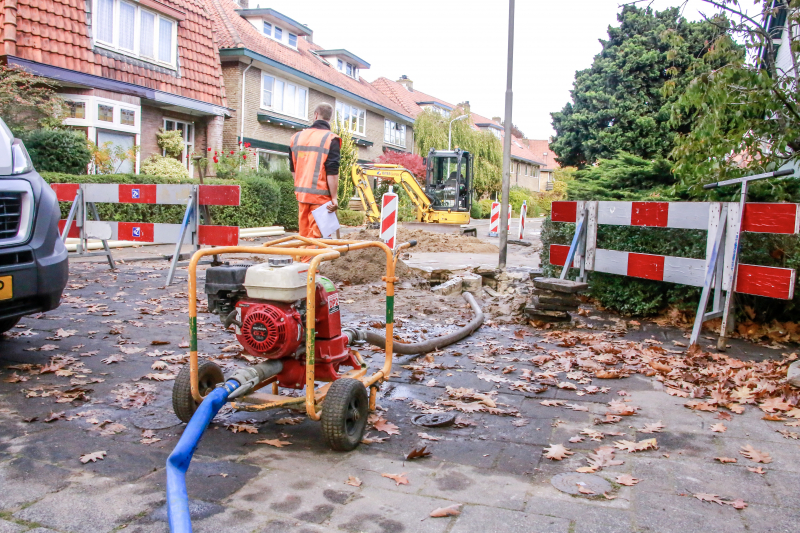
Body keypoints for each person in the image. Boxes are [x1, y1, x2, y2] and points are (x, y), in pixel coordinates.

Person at [289, 103, 341, 261]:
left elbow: (293, 169)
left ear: (315, 115)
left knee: (303, 236)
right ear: (329, 118)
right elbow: (332, 171)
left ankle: (300, 269)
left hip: (302, 196)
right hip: (320, 198)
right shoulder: (330, 139)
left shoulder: (296, 137)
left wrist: (301, 188)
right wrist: (334, 197)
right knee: (315, 239)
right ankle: (309, 274)